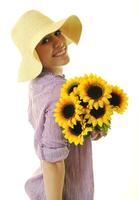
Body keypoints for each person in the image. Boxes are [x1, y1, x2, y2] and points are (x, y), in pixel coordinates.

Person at [11, 9, 104, 200]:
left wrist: (91, 125)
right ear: (34, 55)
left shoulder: (40, 85)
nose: (58, 42)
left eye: (57, 33)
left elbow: (57, 131)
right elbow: (53, 162)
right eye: (45, 40)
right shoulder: (59, 93)